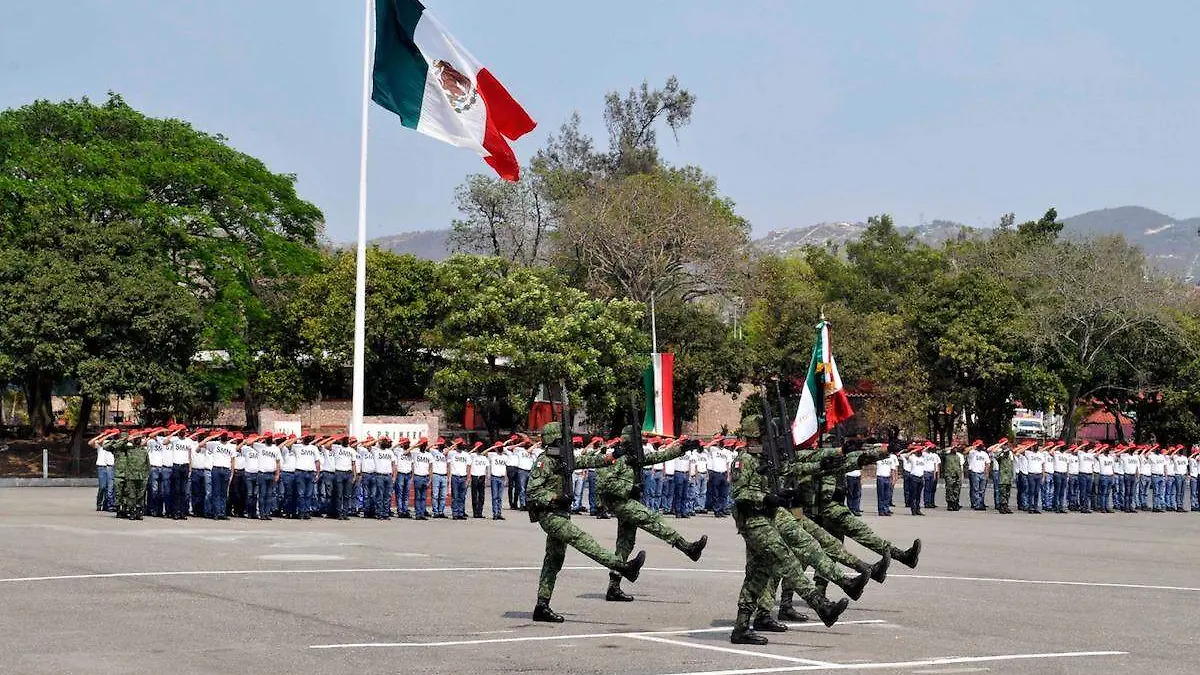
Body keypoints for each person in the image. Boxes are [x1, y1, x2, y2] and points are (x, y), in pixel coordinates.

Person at [728, 425, 850, 645]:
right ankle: (822, 606)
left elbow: (790, 468)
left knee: (758, 574)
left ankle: (741, 628)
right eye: (766, 436)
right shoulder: (743, 460)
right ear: (755, 435)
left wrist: (821, 465)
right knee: (788, 560)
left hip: (767, 518)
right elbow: (739, 493)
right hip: (753, 521)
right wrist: (767, 499)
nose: (769, 441)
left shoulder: (764, 459)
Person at [526, 421, 646, 623]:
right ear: (554, 440)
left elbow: (592, 461)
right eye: (563, 439)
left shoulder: (563, 459)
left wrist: (615, 454)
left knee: (554, 560)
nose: (567, 442)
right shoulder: (544, 461)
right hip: (550, 515)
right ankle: (623, 567)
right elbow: (532, 492)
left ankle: (542, 605)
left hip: (561, 514)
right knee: (582, 540)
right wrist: (555, 498)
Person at [596, 431, 709, 602]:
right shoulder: (616, 458)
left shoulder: (635, 456)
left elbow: (659, 457)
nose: (640, 446)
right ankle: (687, 547)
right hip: (620, 503)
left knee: (625, 544)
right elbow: (603, 483)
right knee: (652, 519)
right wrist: (628, 489)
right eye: (636, 443)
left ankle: (614, 587)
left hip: (629, 501)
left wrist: (681, 448)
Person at [208, 431, 234, 520]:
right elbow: (201, 444)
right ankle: (215, 513)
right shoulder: (214, 444)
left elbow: (233, 460)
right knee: (216, 492)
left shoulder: (231, 446)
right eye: (222, 436)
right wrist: (214, 436)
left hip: (226, 470)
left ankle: (222, 513)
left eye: (225, 436)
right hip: (216, 469)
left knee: (223, 493)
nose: (224, 437)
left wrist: (232, 473)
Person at [293, 434, 319, 520]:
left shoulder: (313, 448)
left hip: (311, 472)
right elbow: (287, 445)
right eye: (306, 437)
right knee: (301, 494)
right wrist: (298, 438)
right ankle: (301, 512)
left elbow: (317, 461)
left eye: (309, 437)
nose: (307, 439)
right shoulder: (297, 447)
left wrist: (318, 473)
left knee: (309, 494)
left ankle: (307, 512)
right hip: (300, 472)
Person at [90, 429, 117, 512]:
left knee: (110, 487)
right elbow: (91, 443)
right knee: (102, 487)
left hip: (110, 466)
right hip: (101, 466)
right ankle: (99, 503)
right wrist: (104, 435)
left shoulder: (114, 443)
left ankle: (108, 505)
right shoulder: (101, 443)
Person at [373, 437, 397, 520]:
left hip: (388, 476)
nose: (385, 443)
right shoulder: (375, 450)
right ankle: (379, 513)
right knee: (379, 495)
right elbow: (366, 445)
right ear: (380, 442)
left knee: (387, 496)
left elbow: (394, 464)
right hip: (379, 475)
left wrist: (394, 476)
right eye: (384, 441)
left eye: (386, 441)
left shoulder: (390, 452)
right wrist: (378, 440)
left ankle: (385, 513)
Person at [448, 438, 470, 520]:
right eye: (459, 444)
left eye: (462, 444)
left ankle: (461, 513)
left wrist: (468, 478)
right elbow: (445, 453)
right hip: (455, 477)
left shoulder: (466, 455)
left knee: (462, 496)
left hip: (463, 477)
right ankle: (455, 513)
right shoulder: (452, 453)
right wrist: (454, 445)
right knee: (455, 496)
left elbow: (468, 466)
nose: (461, 446)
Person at [411, 438, 432, 521]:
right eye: (422, 445)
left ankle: (422, 513)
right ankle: (418, 513)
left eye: (424, 445)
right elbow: (406, 452)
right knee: (418, 496)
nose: (423, 446)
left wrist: (430, 479)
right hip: (417, 476)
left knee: (423, 497)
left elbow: (431, 467)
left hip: (425, 477)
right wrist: (417, 444)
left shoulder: (429, 455)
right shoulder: (415, 453)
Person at [487, 441, 508, 520]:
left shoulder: (505, 457)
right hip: (494, 477)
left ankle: (499, 513)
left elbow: (505, 468)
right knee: (495, 496)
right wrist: (493, 448)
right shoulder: (492, 455)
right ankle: (495, 513)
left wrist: (506, 478)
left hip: (502, 478)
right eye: (499, 448)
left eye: (501, 448)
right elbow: (484, 453)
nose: (500, 449)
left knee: (500, 497)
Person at [429, 438, 450, 519]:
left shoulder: (447, 453)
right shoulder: (434, 452)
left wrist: (448, 476)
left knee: (443, 495)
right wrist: (435, 444)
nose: (441, 445)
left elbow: (448, 465)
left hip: (444, 475)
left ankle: (441, 511)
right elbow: (428, 448)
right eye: (440, 444)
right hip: (436, 475)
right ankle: (435, 511)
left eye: (442, 444)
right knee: (435, 495)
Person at [966, 440, 989, 510]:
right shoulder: (972, 452)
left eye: (981, 445)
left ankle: (980, 503)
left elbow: (987, 463)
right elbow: (965, 451)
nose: (980, 446)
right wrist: (974, 446)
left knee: (982, 490)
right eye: (979, 445)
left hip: (982, 473)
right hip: (974, 472)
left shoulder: (984, 454)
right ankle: (976, 504)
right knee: (975, 489)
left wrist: (986, 473)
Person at [993, 440, 1015, 514]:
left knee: (1007, 493)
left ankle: (1006, 506)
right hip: (1002, 478)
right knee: (1002, 493)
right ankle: (1001, 506)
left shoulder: (1010, 457)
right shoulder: (1000, 458)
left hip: (1008, 477)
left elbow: (1012, 466)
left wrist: (1012, 476)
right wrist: (1002, 450)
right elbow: (995, 456)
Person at [941, 443, 964, 512]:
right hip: (949, 475)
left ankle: (955, 503)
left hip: (957, 475)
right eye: (954, 448)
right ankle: (950, 504)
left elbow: (959, 466)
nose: (955, 449)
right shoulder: (946, 456)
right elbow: (942, 451)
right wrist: (951, 447)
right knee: (949, 490)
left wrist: (960, 475)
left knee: (957, 490)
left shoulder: (958, 456)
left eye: (956, 448)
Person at [469, 441, 489, 518]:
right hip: (474, 476)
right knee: (474, 495)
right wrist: (475, 448)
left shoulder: (484, 457)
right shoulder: (473, 455)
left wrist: (487, 478)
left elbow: (487, 469)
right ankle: (475, 512)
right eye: (479, 447)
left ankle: (480, 512)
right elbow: (468, 454)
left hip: (482, 476)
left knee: (481, 496)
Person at [394, 438, 413, 518]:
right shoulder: (398, 451)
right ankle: (400, 510)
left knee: (406, 494)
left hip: (408, 474)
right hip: (400, 474)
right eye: (405, 443)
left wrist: (412, 474)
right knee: (400, 493)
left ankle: (405, 510)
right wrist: (400, 443)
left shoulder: (411, 453)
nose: (407, 444)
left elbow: (412, 464)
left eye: (408, 443)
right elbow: (392, 448)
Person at [874, 450, 896, 516]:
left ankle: (886, 509)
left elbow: (892, 469)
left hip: (887, 477)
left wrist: (893, 478)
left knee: (887, 495)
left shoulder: (890, 459)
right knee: (881, 495)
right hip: (880, 477)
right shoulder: (878, 459)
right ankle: (881, 510)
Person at [1077, 442, 1096, 514]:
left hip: (1090, 474)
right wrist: (1083, 445)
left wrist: (1093, 475)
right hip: (1083, 474)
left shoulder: (1091, 455)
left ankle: (1087, 506)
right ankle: (1082, 507)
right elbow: (1075, 451)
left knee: (1088, 492)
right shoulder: (1081, 453)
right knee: (1082, 491)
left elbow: (1092, 465)